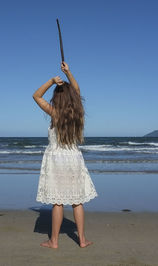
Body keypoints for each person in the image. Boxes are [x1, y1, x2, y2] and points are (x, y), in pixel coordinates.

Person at [32, 61, 98, 249]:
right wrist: (69, 73)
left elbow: (36, 96)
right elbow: (76, 90)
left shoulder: (54, 113)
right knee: (77, 201)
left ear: (57, 99)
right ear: (73, 99)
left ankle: (54, 241)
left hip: (56, 160)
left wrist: (52, 81)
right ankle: (82, 240)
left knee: (58, 202)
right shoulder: (78, 114)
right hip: (74, 158)